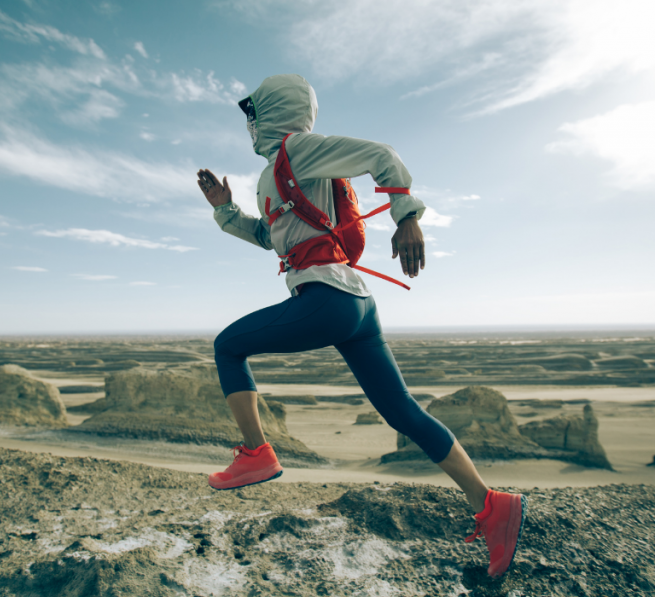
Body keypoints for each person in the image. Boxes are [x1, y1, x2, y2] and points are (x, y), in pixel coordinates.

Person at [196, 74, 526, 578]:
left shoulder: (298, 150)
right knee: (401, 411)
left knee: (227, 347)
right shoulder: (278, 174)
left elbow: (382, 155)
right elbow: (269, 236)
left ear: (268, 113)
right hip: (357, 306)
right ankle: (491, 504)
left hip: (327, 297)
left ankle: (256, 453)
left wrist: (407, 215)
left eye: (253, 114)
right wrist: (225, 211)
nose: (250, 124)